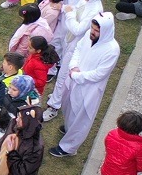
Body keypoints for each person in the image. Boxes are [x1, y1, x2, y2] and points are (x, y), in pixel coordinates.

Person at [48, 14, 120, 157]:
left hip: (89, 89)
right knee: (68, 106)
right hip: (74, 79)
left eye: (96, 30)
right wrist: (73, 66)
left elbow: (100, 73)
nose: (92, 32)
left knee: (82, 117)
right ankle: (69, 128)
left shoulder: (112, 49)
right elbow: (78, 50)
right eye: (93, 28)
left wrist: (78, 76)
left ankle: (68, 147)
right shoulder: (88, 35)